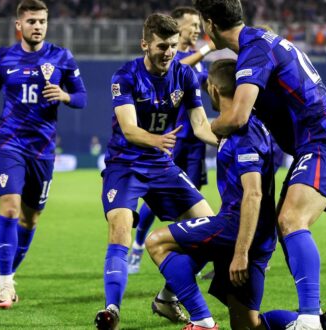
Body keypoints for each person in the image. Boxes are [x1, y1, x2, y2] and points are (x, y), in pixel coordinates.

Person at [193, 1, 326, 329]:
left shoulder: (254, 51)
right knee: (285, 227)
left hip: (324, 138)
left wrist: (205, 129)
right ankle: (323, 321)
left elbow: (238, 116)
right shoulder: (262, 40)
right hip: (312, 143)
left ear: (210, 24)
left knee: (291, 220)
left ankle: (308, 321)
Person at [94, 13, 219, 330]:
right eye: (162, 46)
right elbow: (129, 129)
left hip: (162, 166)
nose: (169, 52)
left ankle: (166, 297)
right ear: (145, 44)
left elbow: (201, 124)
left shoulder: (185, 76)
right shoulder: (125, 76)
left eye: (174, 46)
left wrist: (227, 140)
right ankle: (112, 310)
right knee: (120, 227)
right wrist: (157, 140)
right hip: (125, 164)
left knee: (212, 232)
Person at [0, 0, 87, 309]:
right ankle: (6, 284)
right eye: (32, 21)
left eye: (42, 21)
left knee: (31, 218)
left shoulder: (62, 57)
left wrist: (64, 95)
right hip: (10, 143)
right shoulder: (3, 57)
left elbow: (82, 98)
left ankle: (8, 272)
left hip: (43, 150)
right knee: (9, 207)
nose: (38, 26)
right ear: (19, 25)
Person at [127, 6, 216, 275]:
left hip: (196, 141)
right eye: (192, 25)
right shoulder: (174, 58)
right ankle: (139, 245)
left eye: (199, 26)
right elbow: (180, 66)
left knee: (192, 202)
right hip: (171, 139)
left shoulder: (195, 60)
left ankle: (193, 254)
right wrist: (207, 49)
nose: (197, 30)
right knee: (157, 199)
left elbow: (202, 80)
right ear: (178, 26)